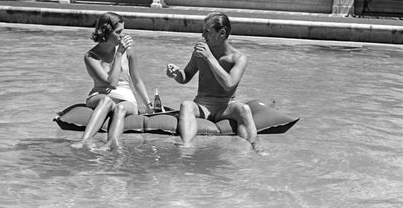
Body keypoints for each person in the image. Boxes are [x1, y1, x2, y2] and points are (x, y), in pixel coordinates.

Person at [166, 12, 267, 155]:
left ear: (222, 33)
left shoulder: (239, 58)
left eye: (207, 31)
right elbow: (186, 76)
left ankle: (256, 147)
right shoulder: (201, 51)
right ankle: (186, 146)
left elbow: (229, 84)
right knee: (186, 105)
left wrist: (209, 58)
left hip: (225, 107)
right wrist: (176, 73)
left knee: (244, 109)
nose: (202, 35)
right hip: (202, 105)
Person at [72, 12, 153, 149]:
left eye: (123, 31)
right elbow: (112, 83)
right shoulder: (91, 56)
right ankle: (85, 140)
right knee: (106, 100)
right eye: (118, 32)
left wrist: (149, 105)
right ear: (105, 32)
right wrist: (119, 54)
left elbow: (137, 81)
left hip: (126, 99)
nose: (123, 35)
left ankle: (111, 143)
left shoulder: (129, 51)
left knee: (120, 107)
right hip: (99, 96)